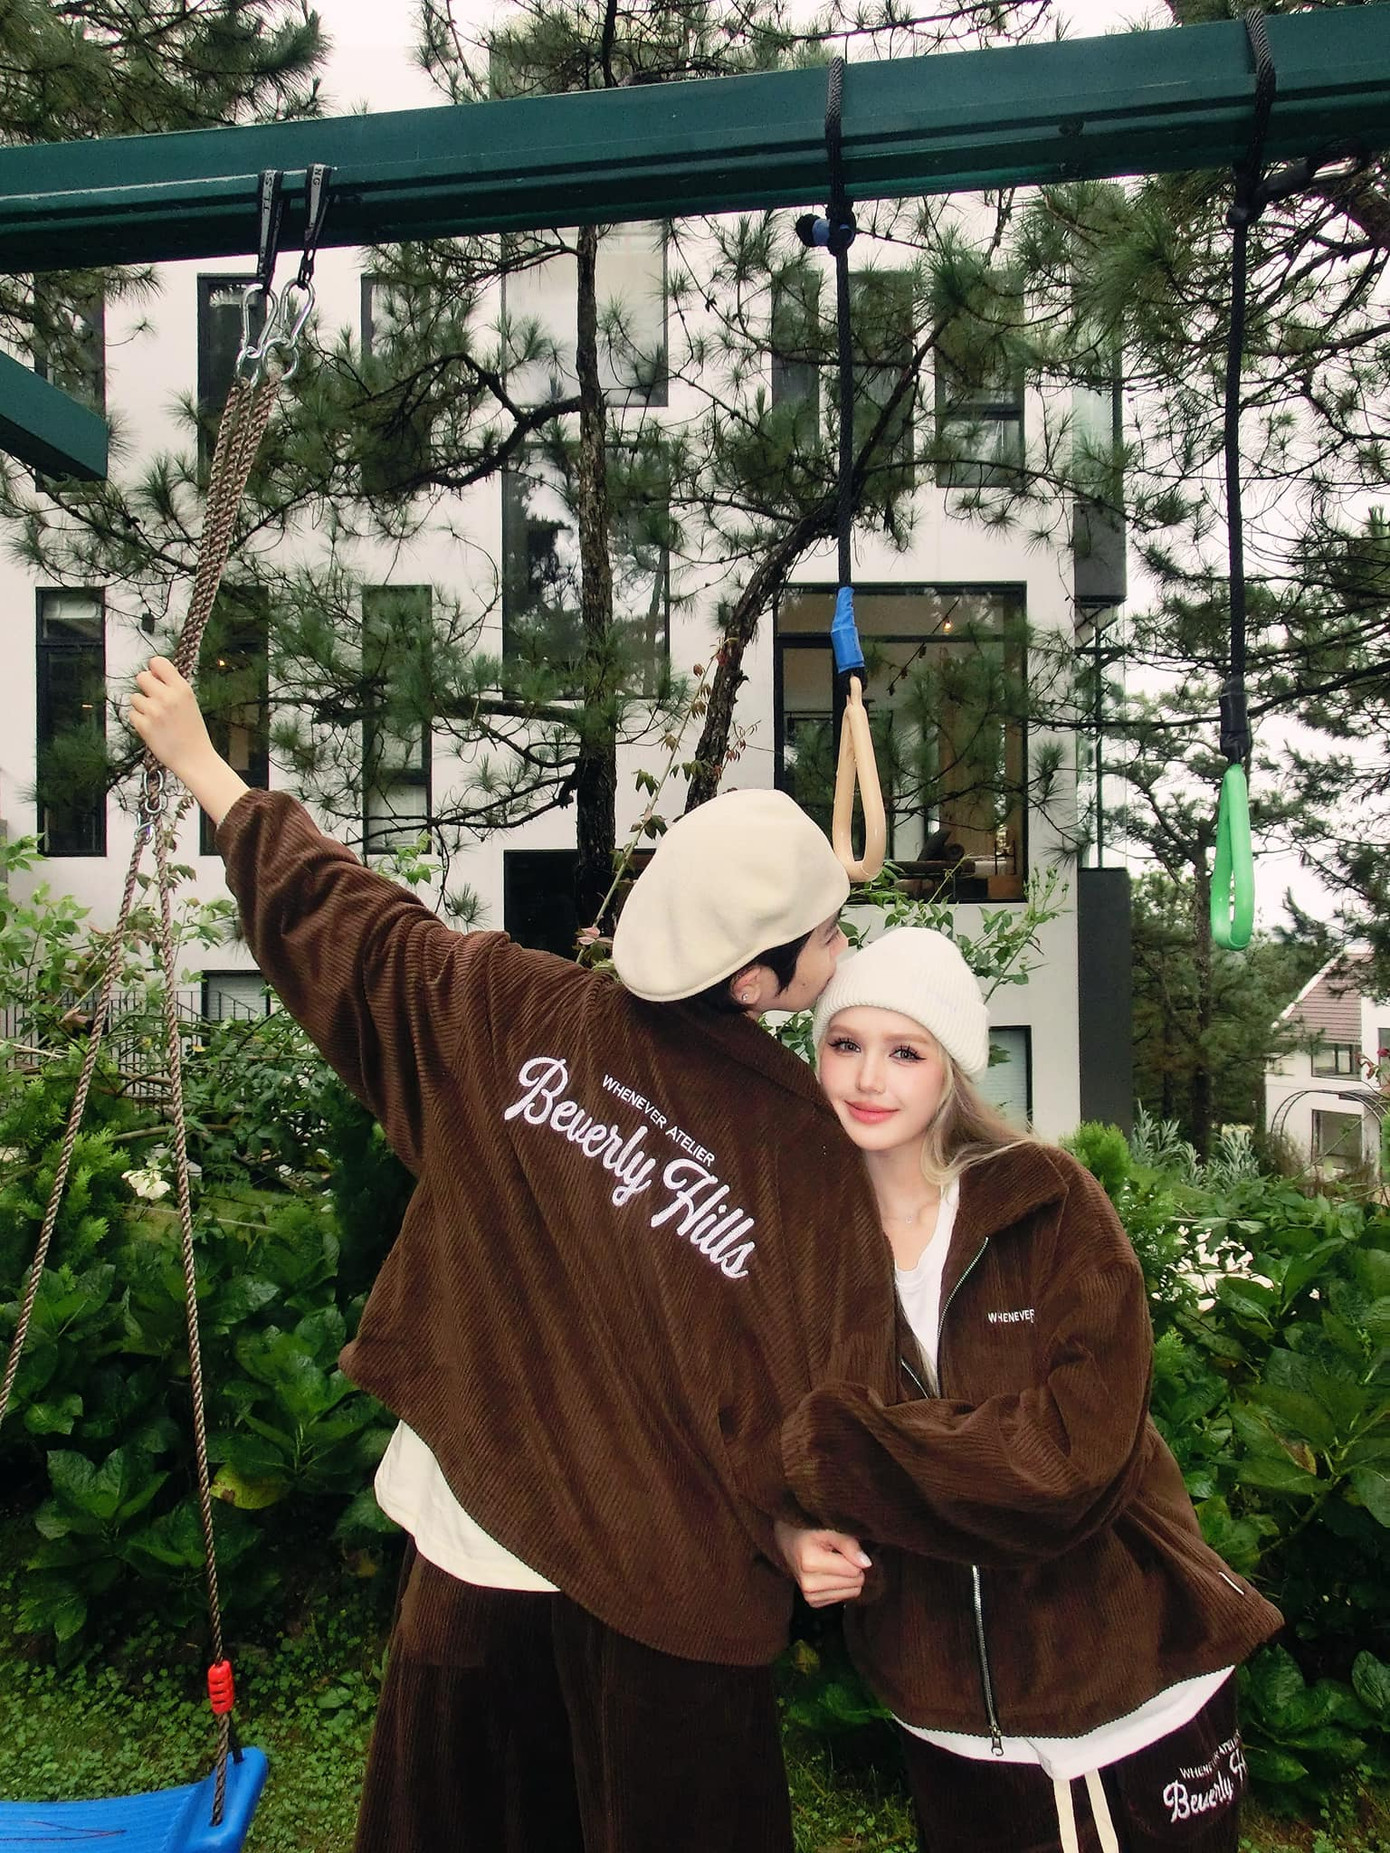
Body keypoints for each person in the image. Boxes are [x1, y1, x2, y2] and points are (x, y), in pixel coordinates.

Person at [127, 655, 902, 1853]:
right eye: (829, 934)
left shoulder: (512, 1009)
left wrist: (203, 764)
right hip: (658, 1593)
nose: (841, 950)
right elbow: (829, 1376)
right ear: (753, 977)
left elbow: (346, 923)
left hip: (478, 1541)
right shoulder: (801, 1150)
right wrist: (795, 1522)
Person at [775, 927, 1282, 1853]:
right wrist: (791, 1529)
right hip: (944, 1712)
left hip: (1131, 1690)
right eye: (845, 1043)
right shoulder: (802, 1246)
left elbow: (1073, 1458)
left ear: (951, 1066)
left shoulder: (1047, 1204)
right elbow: (758, 1427)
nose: (868, 1078)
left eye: (905, 1051)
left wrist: (843, 1449)